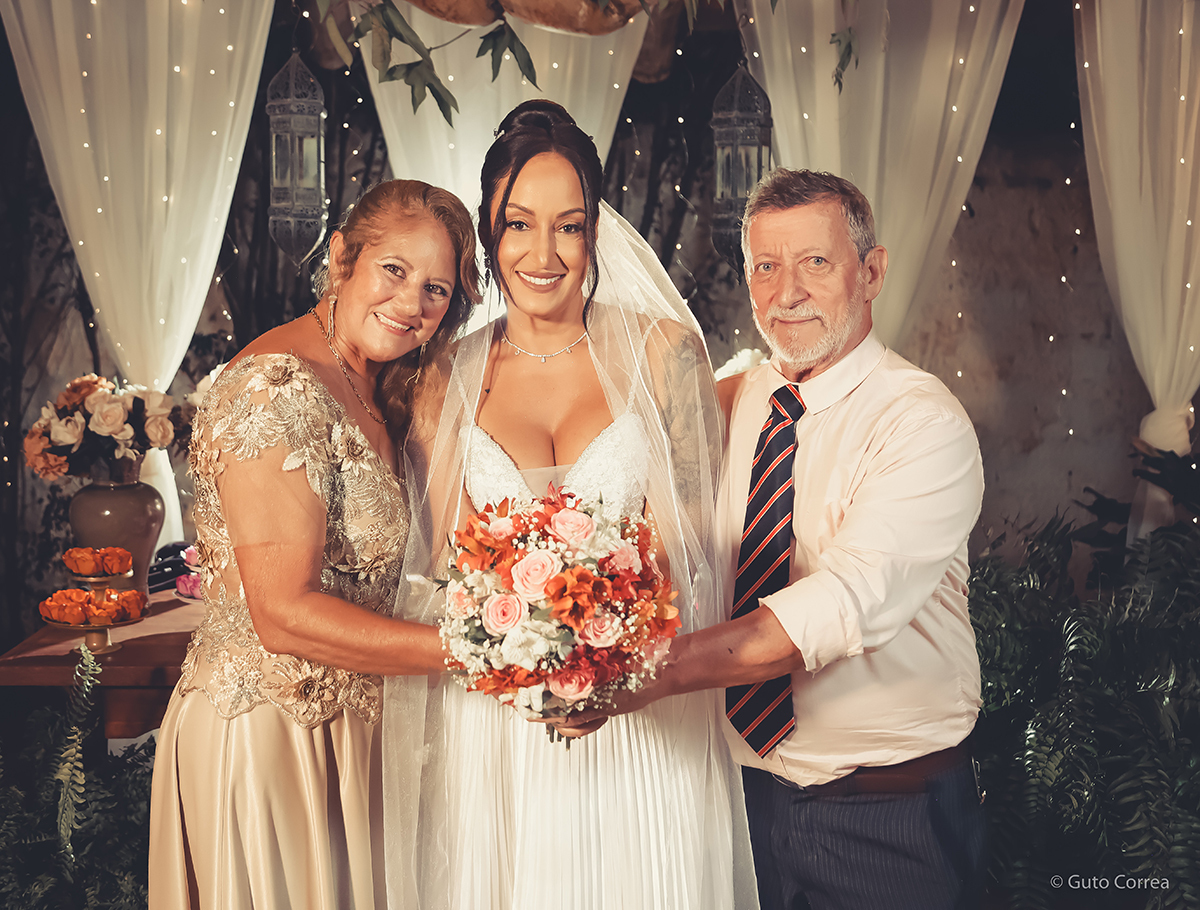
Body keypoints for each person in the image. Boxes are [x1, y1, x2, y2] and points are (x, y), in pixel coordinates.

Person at [383, 100, 758, 910]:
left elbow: (691, 554)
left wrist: (606, 659)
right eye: (518, 225)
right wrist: (517, 652)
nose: (543, 254)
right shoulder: (445, 375)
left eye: (569, 226)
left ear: (596, 231)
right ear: (490, 233)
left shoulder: (665, 354)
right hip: (498, 733)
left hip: (639, 718)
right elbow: (444, 570)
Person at [585, 168, 987, 909]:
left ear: (872, 272)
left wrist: (641, 673)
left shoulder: (922, 423)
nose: (786, 292)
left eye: (815, 262)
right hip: (740, 800)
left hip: (886, 810)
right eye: (766, 267)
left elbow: (839, 605)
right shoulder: (732, 399)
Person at [148, 179, 480, 910]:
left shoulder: (380, 387)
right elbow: (283, 614)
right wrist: (477, 653)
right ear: (341, 258)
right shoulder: (273, 387)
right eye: (394, 270)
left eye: (436, 289)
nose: (411, 303)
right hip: (271, 734)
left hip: (359, 733)